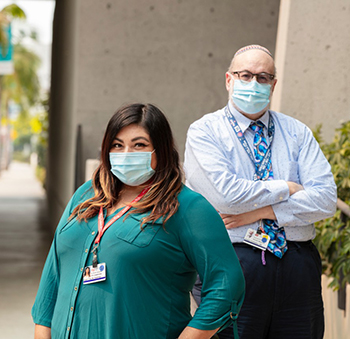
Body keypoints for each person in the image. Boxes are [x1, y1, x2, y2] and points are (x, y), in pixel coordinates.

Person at [32, 103, 245, 339]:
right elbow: (53, 272)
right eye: (117, 145)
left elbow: (227, 284)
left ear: (160, 150)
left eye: (139, 145)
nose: (126, 154)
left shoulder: (188, 207)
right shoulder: (86, 195)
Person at [184, 45, 337, 339]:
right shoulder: (205, 132)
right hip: (232, 260)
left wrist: (262, 212)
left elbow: (326, 199)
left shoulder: (297, 132)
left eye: (263, 77)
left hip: (297, 265)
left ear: (274, 84)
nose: (254, 84)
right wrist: (287, 188)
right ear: (229, 80)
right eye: (245, 75)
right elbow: (226, 195)